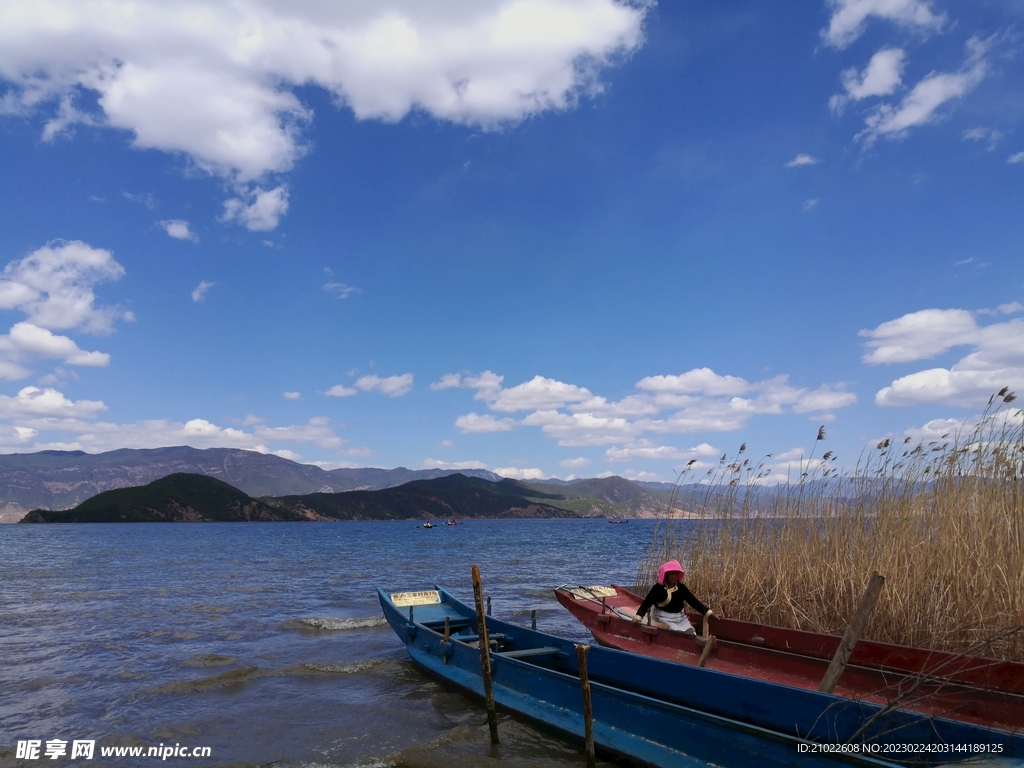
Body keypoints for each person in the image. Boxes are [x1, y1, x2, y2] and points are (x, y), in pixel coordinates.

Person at [631, 559, 713, 636]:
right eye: (671, 574)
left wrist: (708, 613)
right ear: (666, 575)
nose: (674, 576)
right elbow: (646, 603)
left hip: (680, 618)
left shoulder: (681, 588)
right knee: (674, 633)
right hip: (662, 618)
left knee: (691, 633)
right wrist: (638, 617)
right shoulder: (658, 588)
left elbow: (693, 602)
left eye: (675, 574)